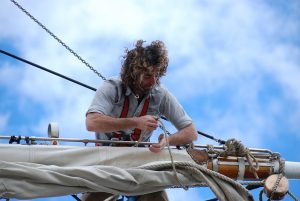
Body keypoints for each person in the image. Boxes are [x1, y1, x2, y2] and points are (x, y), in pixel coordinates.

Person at [84, 40, 198, 201]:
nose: (153, 82)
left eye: (157, 75)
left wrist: (168, 140)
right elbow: (92, 122)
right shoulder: (112, 88)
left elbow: (191, 132)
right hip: (105, 162)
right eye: (148, 76)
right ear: (133, 72)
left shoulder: (160, 95)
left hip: (141, 164)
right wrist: (135, 122)